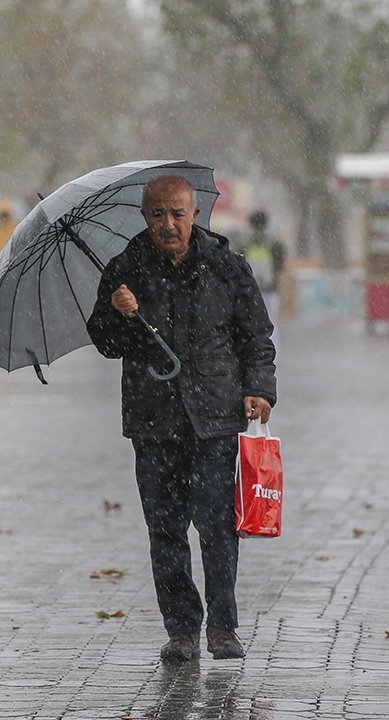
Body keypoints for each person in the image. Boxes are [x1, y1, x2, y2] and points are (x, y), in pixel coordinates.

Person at [87, 175, 277, 663]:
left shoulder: (227, 268)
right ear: (145, 217)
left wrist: (259, 388)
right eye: (157, 215)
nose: (167, 224)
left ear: (195, 214)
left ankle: (223, 626)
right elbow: (107, 343)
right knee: (165, 528)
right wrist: (119, 314)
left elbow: (256, 335)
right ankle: (182, 630)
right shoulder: (125, 270)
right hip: (154, 423)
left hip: (215, 418)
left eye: (177, 214)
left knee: (217, 527)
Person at [238, 209, 286, 350]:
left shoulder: (245, 241)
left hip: (250, 290)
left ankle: (254, 353)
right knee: (271, 323)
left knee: (250, 323)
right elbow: (280, 263)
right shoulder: (274, 241)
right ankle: (272, 355)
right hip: (270, 289)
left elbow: (238, 263)